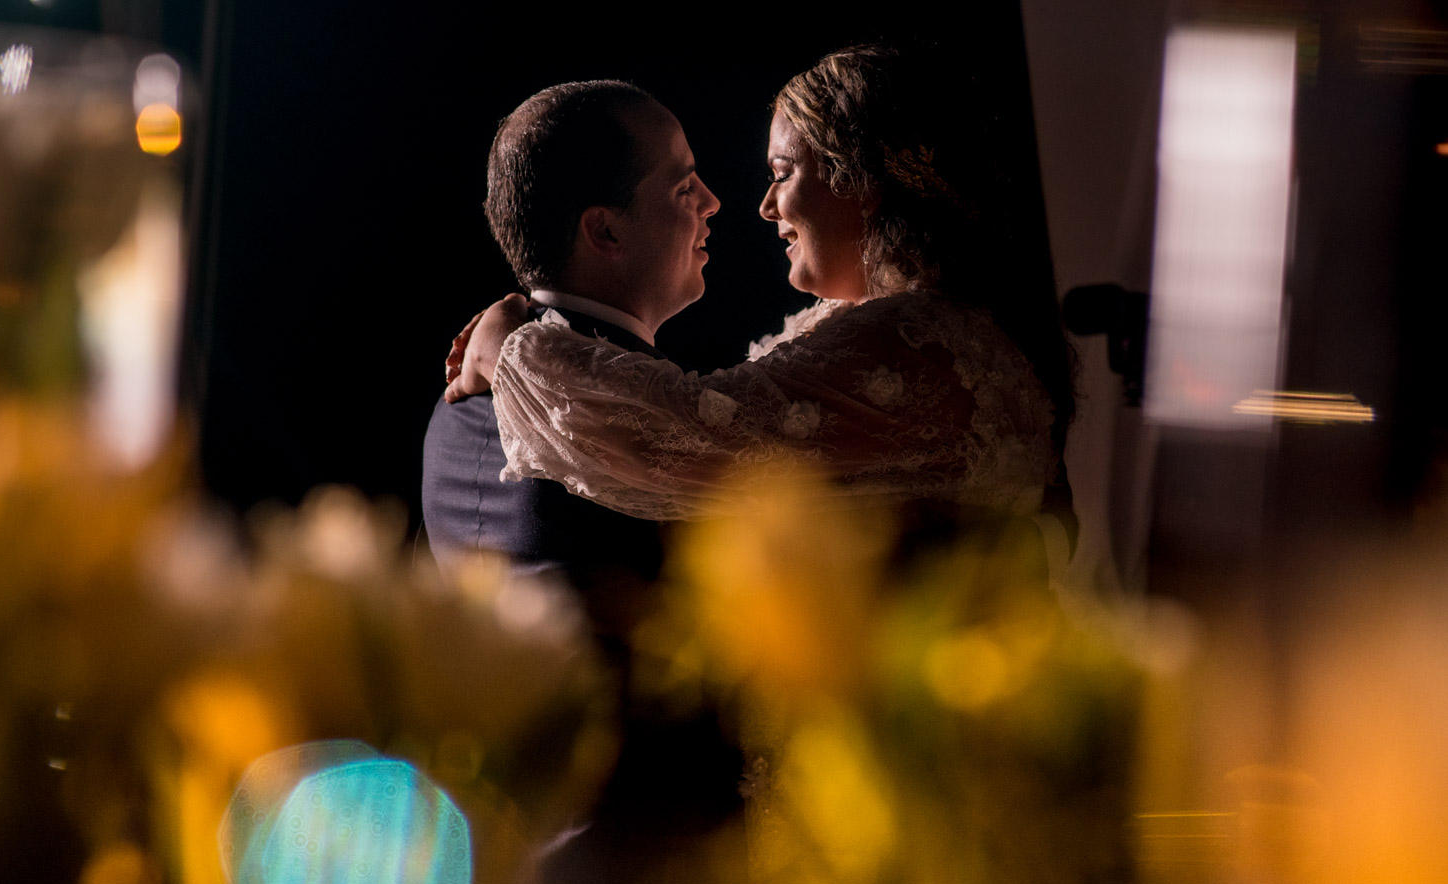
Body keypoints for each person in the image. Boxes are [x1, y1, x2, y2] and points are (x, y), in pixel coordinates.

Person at [445, 42, 1076, 558]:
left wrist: (505, 343)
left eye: (782, 173)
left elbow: (684, 435)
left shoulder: (915, 334)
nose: (762, 206)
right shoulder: (936, 327)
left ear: (862, 180)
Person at [422, 80, 719, 599]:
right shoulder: (637, 412)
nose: (711, 203)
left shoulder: (454, 407)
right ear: (606, 232)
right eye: (683, 188)